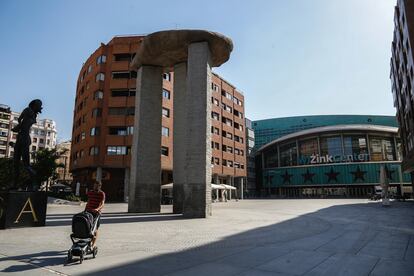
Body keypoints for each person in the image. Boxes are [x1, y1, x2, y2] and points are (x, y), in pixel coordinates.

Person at [85, 181, 105, 248]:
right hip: (88, 211)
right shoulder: (90, 192)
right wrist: (85, 210)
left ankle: (93, 245)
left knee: (95, 228)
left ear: (100, 186)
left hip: (96, 213)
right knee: (88, 227)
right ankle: (87, 242)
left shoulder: (102, 194)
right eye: (95, 185)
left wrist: (97, 209)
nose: (96, 187)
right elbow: (88, 201)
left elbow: (102, 203)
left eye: (97, 186)